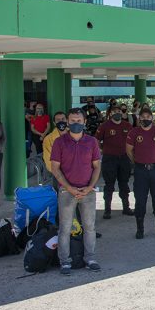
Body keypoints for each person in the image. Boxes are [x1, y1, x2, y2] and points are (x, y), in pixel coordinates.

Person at [50, 108, 102, 275]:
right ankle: (65, 262)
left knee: (90, 227)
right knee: (65, 228)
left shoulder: (92, 142)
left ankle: (90, 258)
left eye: (79, 121)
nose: (75, 124)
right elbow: (55, 169)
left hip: (88, 191)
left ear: (84, 122)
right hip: (67, 192)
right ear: (67, 122)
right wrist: (69, 188)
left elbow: (97, 166)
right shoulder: (59, 142)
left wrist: (89, 187)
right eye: (72, 121)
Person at [126, 107, 155, 239]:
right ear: (139, 119)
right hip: (140, 171)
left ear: (152, 118)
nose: (145, 119)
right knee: (140, 201)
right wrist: (138, 162)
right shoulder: (134, 132)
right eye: (143, 117)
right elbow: (129, 151)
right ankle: (140, 229)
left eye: (148, 117)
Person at [95, 105, 134, 219]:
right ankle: (107, 210)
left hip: (124, 158)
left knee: (124, 183)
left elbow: (132, 141)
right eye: (114, 112)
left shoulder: (127, 125)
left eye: (119, 111)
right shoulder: (104, 126)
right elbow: (96, 139)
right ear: (110, 114)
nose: (117, 113)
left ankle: (126, 207)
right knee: (109, 185)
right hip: (109, 158)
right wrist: (101, 150)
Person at [43, 112, 68, 184]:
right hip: (57, 174)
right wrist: (58, 173)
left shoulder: (74, 134)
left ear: (67, 120)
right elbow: (48, 161)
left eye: (63, 119)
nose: (61, 121)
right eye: (58, 120)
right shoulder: (48, 139)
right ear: (54, 123)